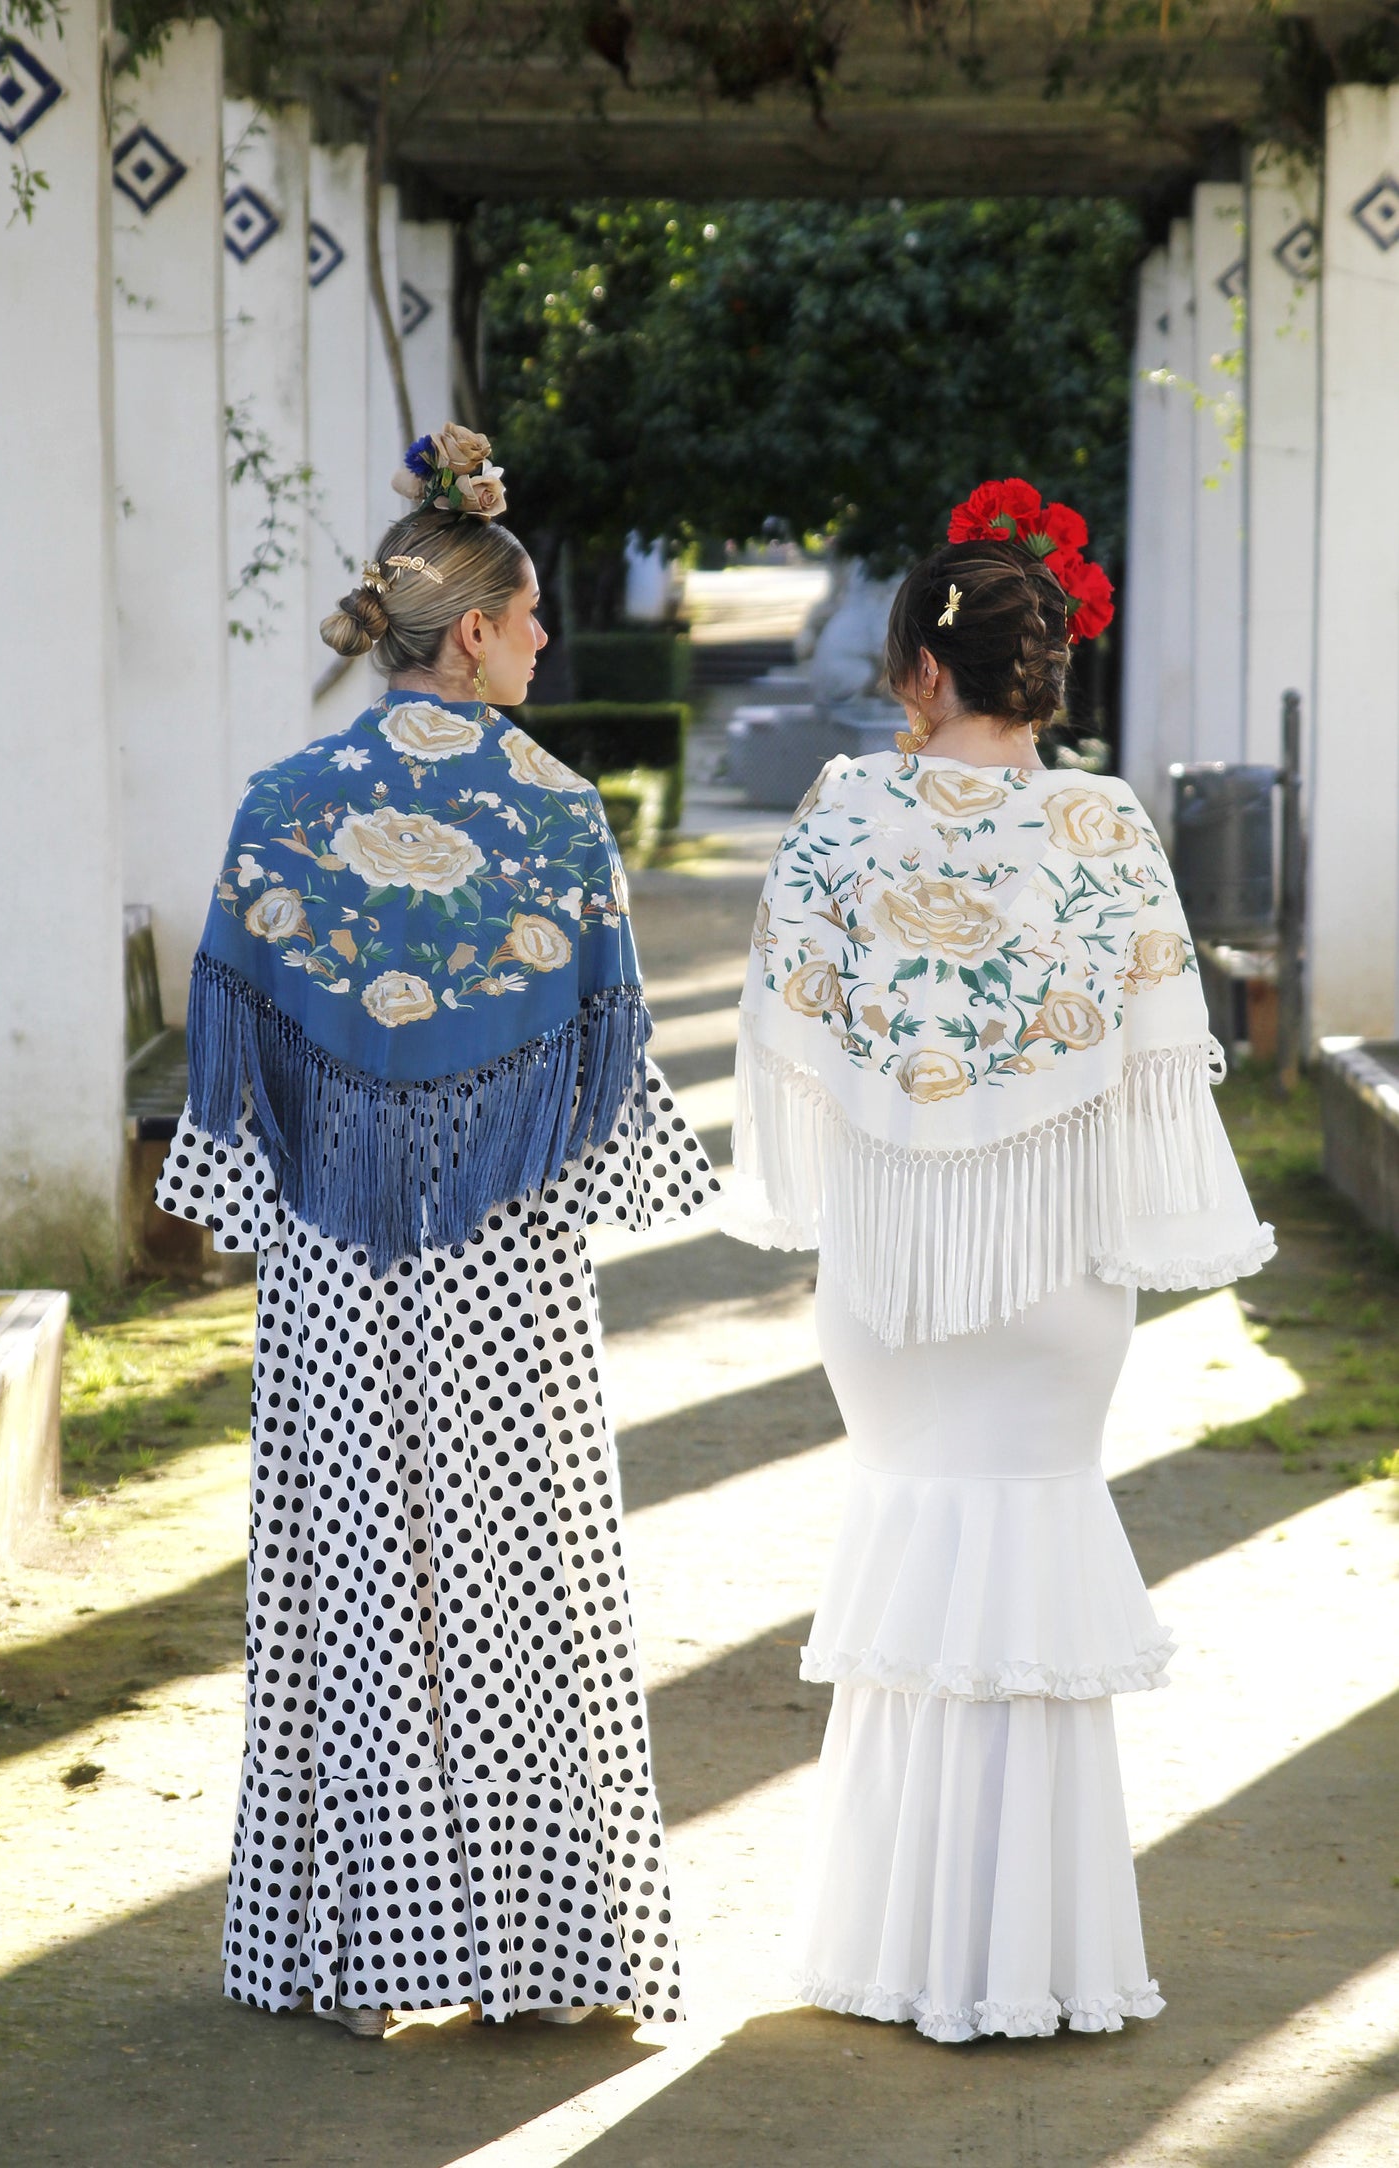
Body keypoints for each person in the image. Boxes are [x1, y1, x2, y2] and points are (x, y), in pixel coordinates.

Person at [156, 425, 716, 2037]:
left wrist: (329, 1179)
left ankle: (347, 1944)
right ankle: (546, 1949)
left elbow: (238, 1052)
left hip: (337, 1258)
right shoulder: (555, 813)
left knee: (348, 1578)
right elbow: (603, 1070)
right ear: (467, 629)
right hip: (510, 1260)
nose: (546, 639)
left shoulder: (283, 801)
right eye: (530, 615)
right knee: (518, 1583)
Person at [725, 480, 1273, 2043]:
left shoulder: (843, 808)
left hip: (891, 1269)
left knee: (914, 1551)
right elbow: (1162, 1052)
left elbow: (785, 1021)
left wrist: (894, 1122)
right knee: (1025, 1552)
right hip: (1053, 1274)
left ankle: (894, 1946)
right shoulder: (1102, 823)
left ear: (916, 668)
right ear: (1042, 672)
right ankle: (1042, 1955)